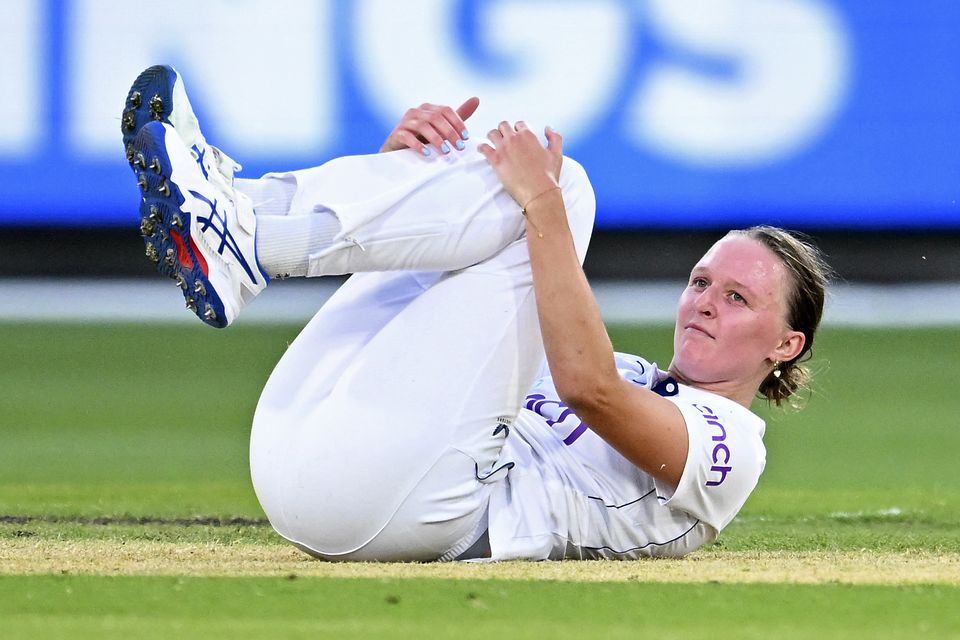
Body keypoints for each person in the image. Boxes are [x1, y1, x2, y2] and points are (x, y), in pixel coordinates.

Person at [124, 65, 830, 561]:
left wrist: (545, 204)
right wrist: (397, 174)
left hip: (413, 516)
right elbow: (439, 360)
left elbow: (587, 388)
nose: (705, 301)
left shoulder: (731, 447)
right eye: (702, 281)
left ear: (786, 345)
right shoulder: (631, 369)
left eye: (737, 298)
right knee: (478, 197)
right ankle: (244, 215)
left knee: (565, 190)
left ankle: (249, 235)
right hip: (298, 453)